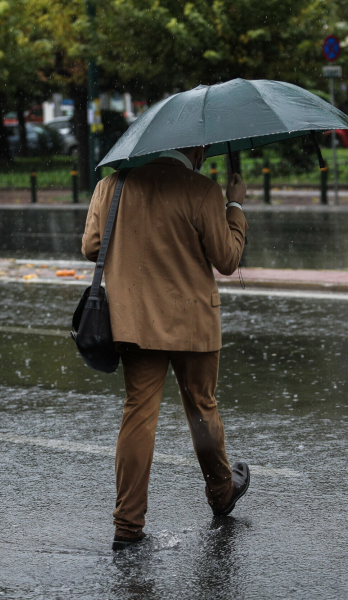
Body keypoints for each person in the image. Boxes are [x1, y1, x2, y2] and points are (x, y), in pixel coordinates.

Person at [82, 146, 250, 551]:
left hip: (135, 320)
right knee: (201, 407)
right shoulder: (203, 190)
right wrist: (235, 206)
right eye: (204, 149)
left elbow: (90, 248)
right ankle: (221, 491)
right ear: (192, 148)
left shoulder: (111, 185)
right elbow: (228, 259)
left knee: (139, 413)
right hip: (193, 321)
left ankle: (127, 524)